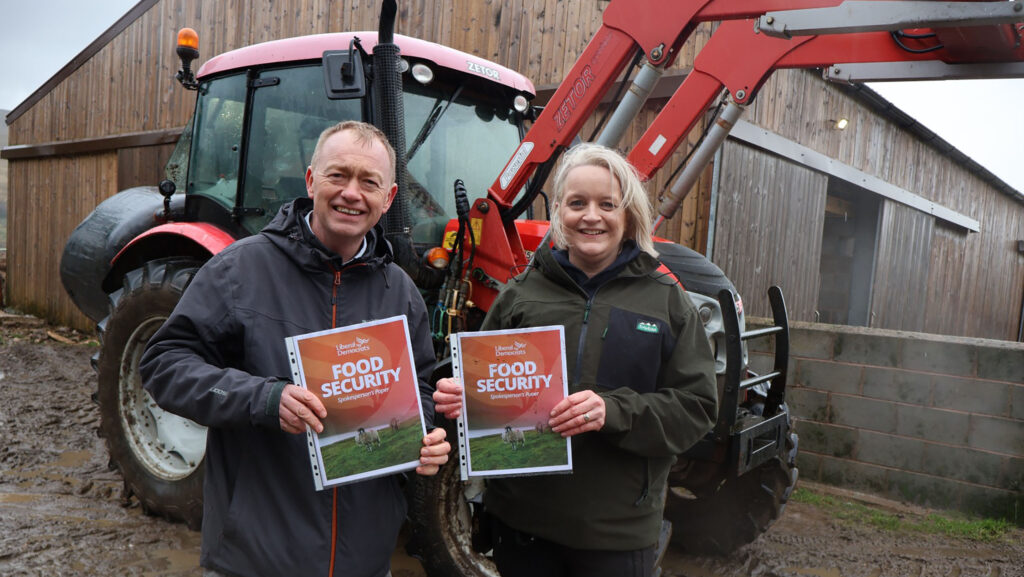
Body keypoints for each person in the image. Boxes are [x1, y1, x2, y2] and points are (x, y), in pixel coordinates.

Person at [140, 120, 450, 577]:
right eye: (338, 175)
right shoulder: (241, 270)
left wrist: (426, 434)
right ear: (310, 180)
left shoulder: (400, 291)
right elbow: (164, 365)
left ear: (387, 199)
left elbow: (418, 389)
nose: (351, 193)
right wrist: (265, 399)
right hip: (257, 558)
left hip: (364, 561)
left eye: (369, 182)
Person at [434, 143, 718, 577]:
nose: (591, 216)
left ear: (628, 217)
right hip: (522, 527)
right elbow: (483, 388)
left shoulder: (667, 302)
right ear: (559, 213)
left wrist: (612, 410)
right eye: (577, 203)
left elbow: (696, 409)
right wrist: (464, 399)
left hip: (617, 536)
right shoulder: (520, 294)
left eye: (607, 204)